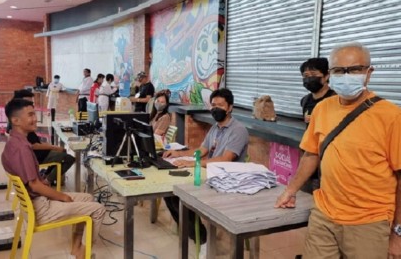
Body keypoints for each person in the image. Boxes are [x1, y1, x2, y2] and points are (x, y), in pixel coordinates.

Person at [275, 42, 401, 259]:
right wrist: (291, 190)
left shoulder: (391, 116)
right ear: (329, 75)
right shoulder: (322, 109)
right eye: (339, 70)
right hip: (324, 214)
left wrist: (398, 235)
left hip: (369, 222)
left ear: (368, 73)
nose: (346, 76)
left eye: (354, 70)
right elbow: (311, 154)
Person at [2, 98, 105, 259]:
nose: (35, 118)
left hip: (34, 202)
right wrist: (63, 197)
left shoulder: (13, 142)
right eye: (30, 115)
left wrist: (43, 182)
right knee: (98, 209)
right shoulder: (22, 148)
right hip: (39, 208)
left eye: (34, 114)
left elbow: (34, 182)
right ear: (15, 120)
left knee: (88, 197)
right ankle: (84, 253)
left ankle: (76, 250)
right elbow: (35, 186)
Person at [163, 88, 249, 245]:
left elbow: (226, 159)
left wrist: (193, 163)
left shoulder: (238, 130)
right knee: (169, 192)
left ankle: (202, 241)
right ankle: (193, 233)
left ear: (230, 107)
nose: (215, 109)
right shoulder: (215, 128)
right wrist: (180, 154)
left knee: (183, 195)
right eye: (213, 105)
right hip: (209, 173)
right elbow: (202, 150)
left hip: (227, 180)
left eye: (220, 105)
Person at [9, 89, 75, 185]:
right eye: (28, 103)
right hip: (34, 156)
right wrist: (53, 147)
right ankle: (46, 181)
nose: (32, 105)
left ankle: (46, 175)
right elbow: (34, 145)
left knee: (61, 151)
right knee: (69, 158)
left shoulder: (16, 119)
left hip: (31, 153)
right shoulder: (21, 123)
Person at [299, 58, 335, 194]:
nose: (309, 79)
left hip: (328, 161)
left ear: (326, 76)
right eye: (306, 76)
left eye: (314, 75)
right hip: (309, 157)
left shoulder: (335, 100)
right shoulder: (305, 101)